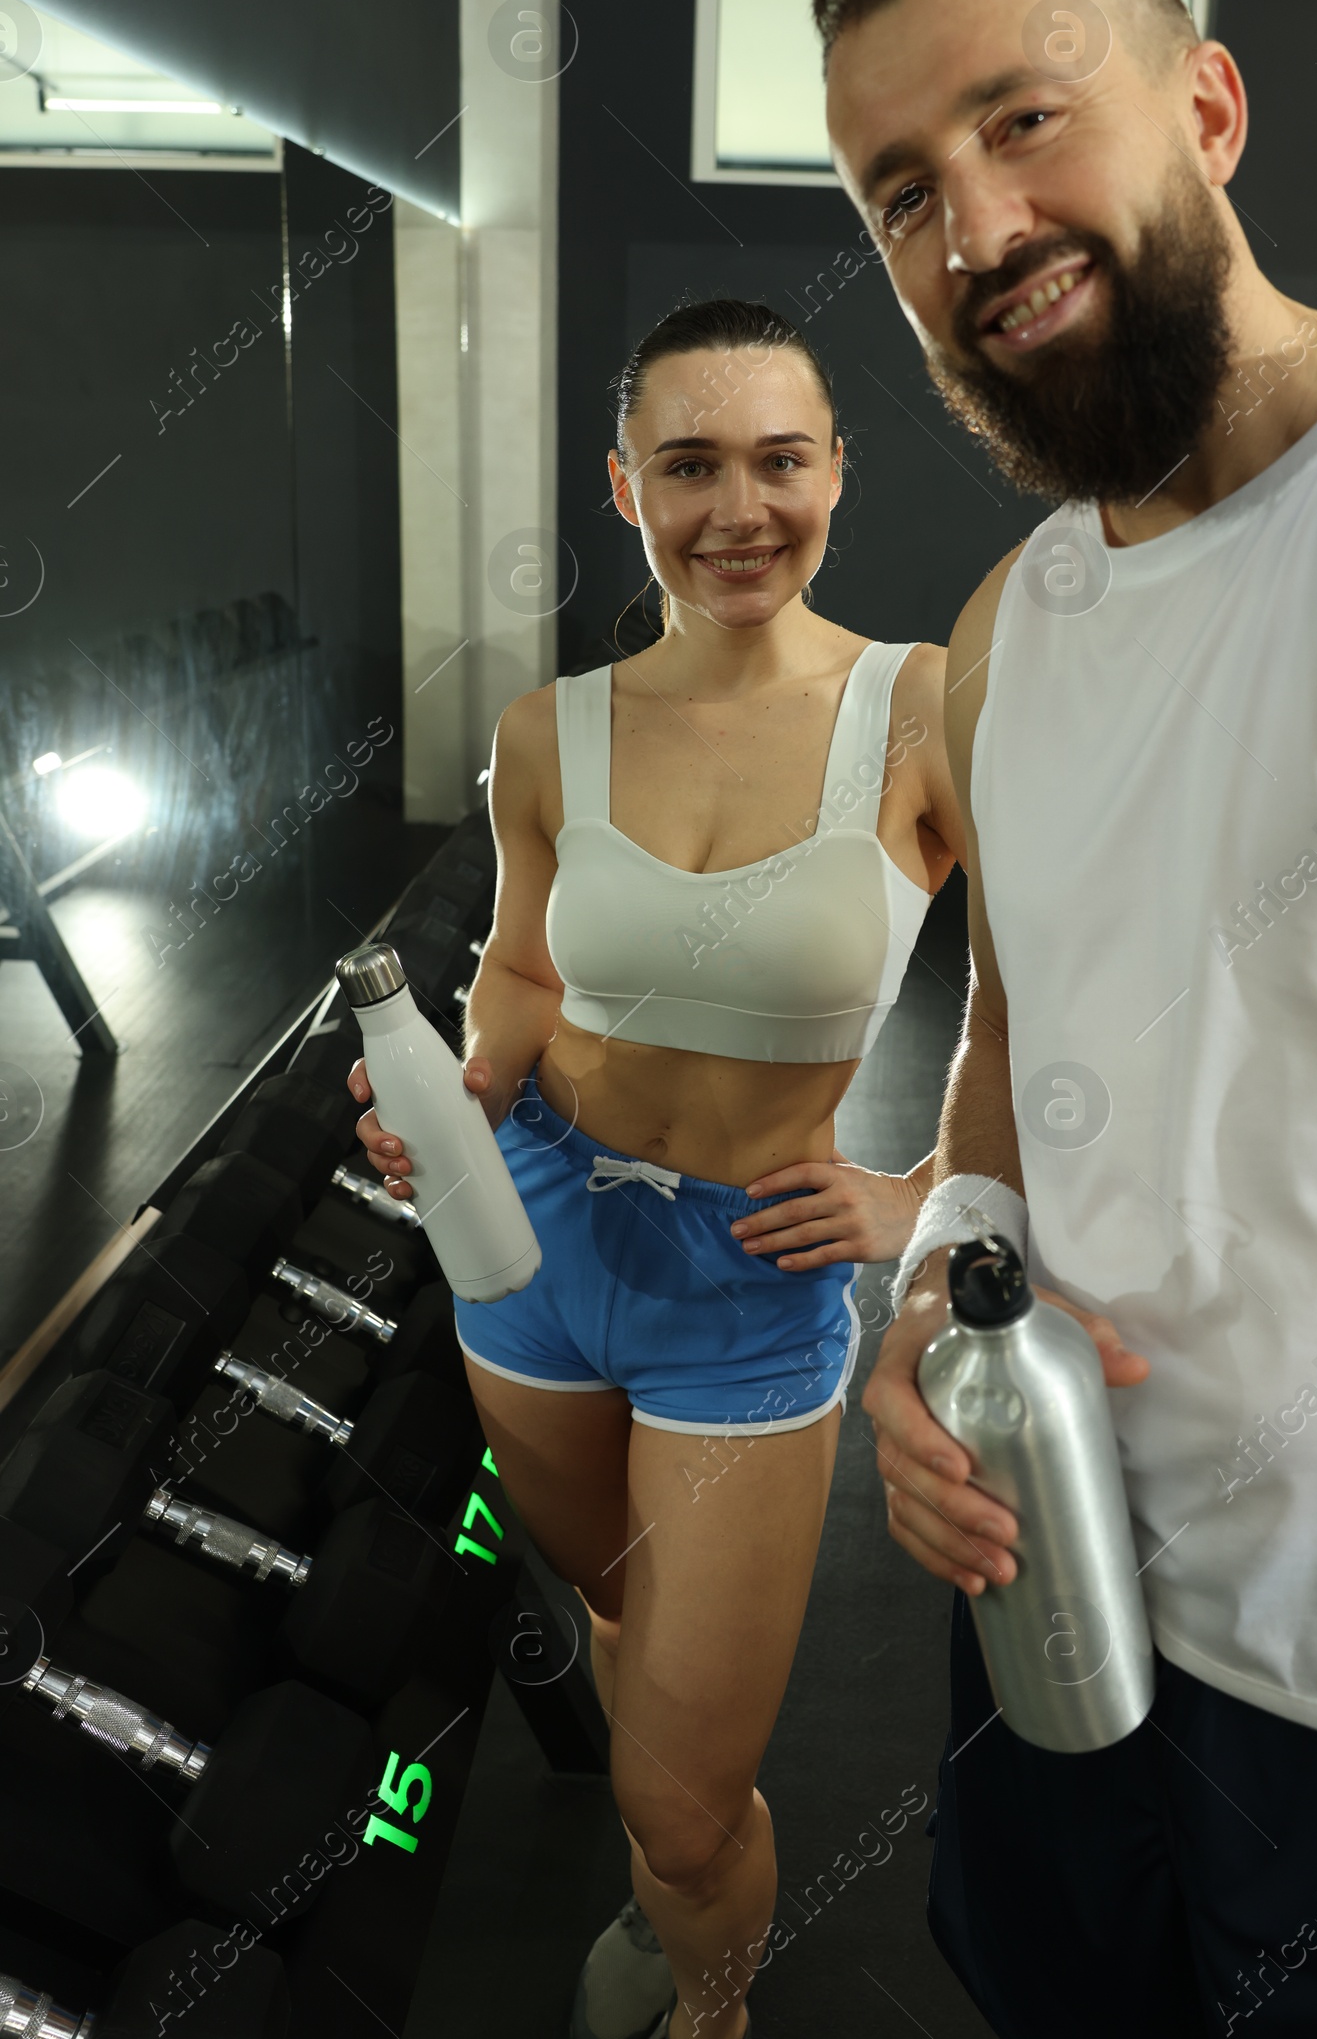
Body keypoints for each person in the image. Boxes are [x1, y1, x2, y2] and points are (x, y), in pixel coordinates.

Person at [812, 0, 1317, 2034]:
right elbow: (1003, 1037)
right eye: (899, 193)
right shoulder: (998, 632)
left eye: (1023, 120)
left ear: (1211, 109)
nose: (972, 228)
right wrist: (935, 1284)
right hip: (1072, 1621)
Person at [349, 296, 964, 2039]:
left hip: (749, 1282)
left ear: (838, 469)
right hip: (531, 1244)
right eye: (688, 466)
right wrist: (457, 1092)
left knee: (689, 1807)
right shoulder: (551, 732)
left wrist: (924, 1195)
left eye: (780, 460)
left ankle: (712, 2000)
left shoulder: (922, 711)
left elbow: (1060, 999)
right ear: (626, 489)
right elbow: (532, 971)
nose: (738, 509)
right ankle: (660, 1879)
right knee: (618, 1609)